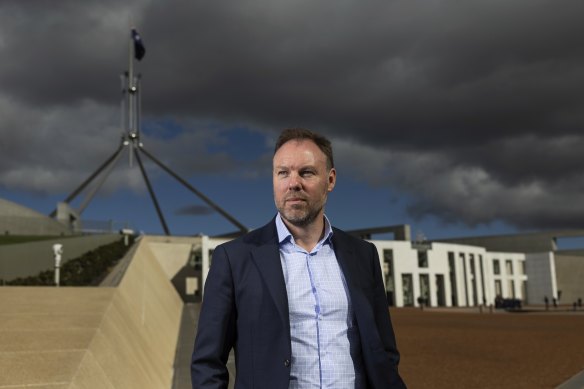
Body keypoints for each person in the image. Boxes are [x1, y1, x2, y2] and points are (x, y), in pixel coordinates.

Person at [191, 128, 406, 389]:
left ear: (330, 179)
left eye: (306, 172)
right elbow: (207, 363)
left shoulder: (362, 255)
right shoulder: (234, 259)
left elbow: (383, 351)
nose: (293, 183)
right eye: (283, 172)